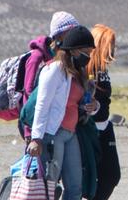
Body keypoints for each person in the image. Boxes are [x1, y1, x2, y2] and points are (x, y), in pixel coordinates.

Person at [26, 24, 99, 200]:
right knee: (49, 186)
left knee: (74, 186)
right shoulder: (54, 71)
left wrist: (93, 107)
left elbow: (78, 103)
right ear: (73, 50)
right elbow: (42, 105)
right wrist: (36, 138)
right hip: (53, 135)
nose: (88, 55)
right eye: (85, 51)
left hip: (70, 133)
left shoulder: (77, 73)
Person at [80, 24, 120, 200]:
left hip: (104, 127)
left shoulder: (102, 70)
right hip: (89, 130)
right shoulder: (85, 69)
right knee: (80, 178)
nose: (113, 49)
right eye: (110, 44)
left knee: (111, 175)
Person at [20, 10, 84, 139]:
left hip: (62, 128)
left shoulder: (69, 57)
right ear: (59, 35)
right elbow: (29, 94)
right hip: (41, 130)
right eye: (71, 32)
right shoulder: (37, 58)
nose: (75, 35)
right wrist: (30, 133)